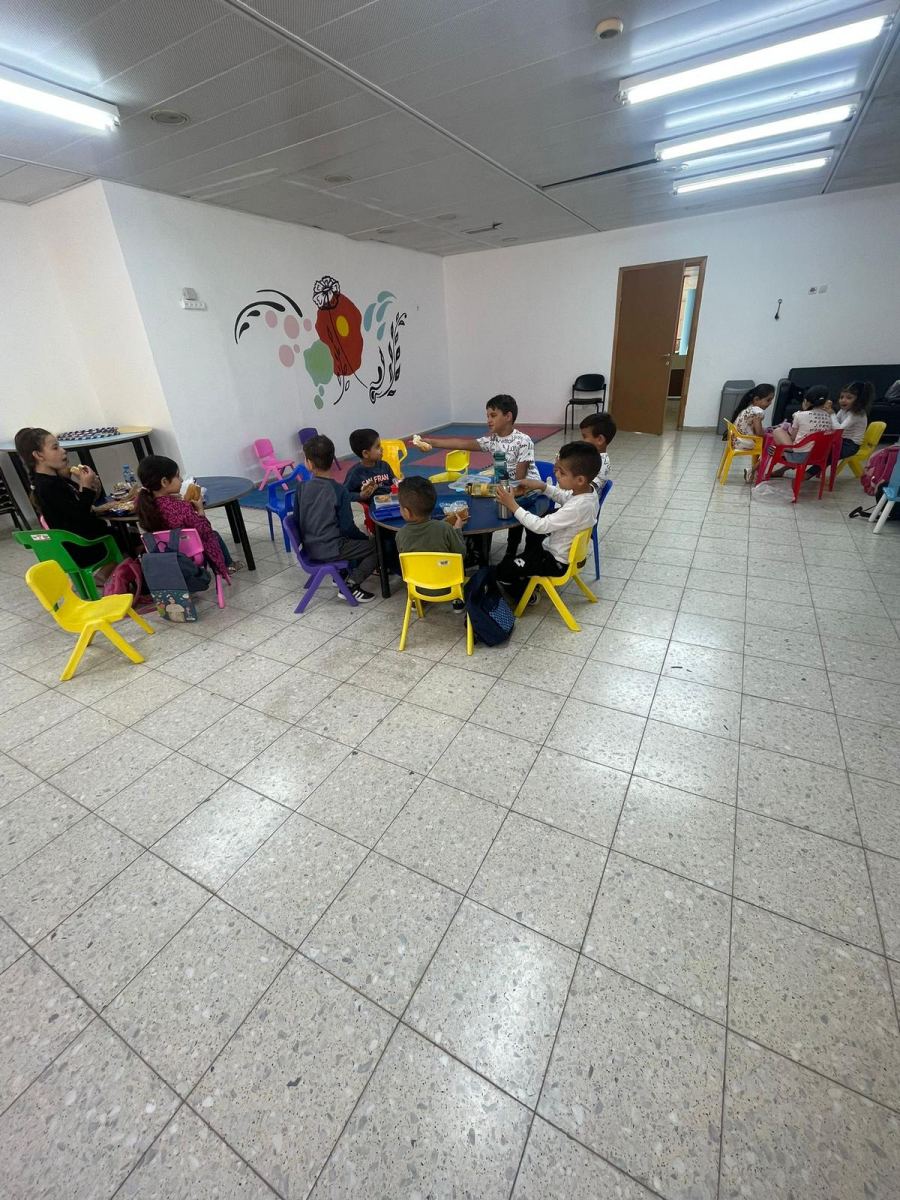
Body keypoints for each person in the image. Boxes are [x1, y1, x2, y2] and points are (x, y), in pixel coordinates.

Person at [416, 394, 541, 561]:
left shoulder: (523, 441)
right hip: (506, 486)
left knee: (513, 508)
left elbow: (520, 482)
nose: (489, 420)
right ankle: (480, 549)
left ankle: (512, 549)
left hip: (527, 489)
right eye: (487, 416)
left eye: (493, 415)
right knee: (476, 496)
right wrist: (432, 442)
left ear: (508, 416)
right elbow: (462, 444)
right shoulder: (493, 440)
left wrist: (503, 496)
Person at [495, 441, 601, 602]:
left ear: (580, 479)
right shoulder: (589, 494)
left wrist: (512, 505)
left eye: (562, 472)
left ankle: (527, 596)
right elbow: (564, 497)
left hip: (556, 562)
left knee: (503, 570)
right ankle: (527, 567)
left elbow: (540, 526)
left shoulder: (577, 507)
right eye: (556, 469)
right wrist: (542, 486)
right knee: (531, 541)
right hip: (565, 555)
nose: (557, 475)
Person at [13, 426, 116, 575]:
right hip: (83, 546)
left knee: (125, 534)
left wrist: (91, 486)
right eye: (55, 448)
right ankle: (105, 576)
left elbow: (81, 505)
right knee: (132, 539)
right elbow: (81, 515)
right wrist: (86, 487)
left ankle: (111, 575)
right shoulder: (47, 486)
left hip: (83, 541)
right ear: (38, 455)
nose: (63, 451)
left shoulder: (55, 479)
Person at [293, 434, 378, 603]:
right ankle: (351, 584)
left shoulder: (301, 487)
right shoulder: (339, 491)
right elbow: (347, 528)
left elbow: (297, 518)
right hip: (331, 549)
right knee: (377, 546)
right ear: (332, 461)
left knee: (352, 541)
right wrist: (365, 538)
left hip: (308, 548)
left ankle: (340, 573)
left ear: (309, 463)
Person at [136, 455, 240, 577]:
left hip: (164, 552)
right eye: (177, 476)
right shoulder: (181, 507)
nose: (181, 480)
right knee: (213, 534)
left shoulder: (144, 506)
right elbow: (205, 530)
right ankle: (227, 566)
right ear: (164, 482)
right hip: (190, 553)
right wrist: (200, 510)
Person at [768, 385, 832, 475]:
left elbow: (793, 438)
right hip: (820, 455)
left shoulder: (799, 415)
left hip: (800, 457)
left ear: (806, 401)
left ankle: (782, 453)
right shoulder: (828, 416)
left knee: (778, 431)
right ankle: (782, 454)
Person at [395, 477, 466, 555]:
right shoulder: (445, 529)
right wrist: (457, 529)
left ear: (407, 513)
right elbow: (461, 554)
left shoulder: (400, 535)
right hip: (443, 563)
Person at [344, 429, 396, 504]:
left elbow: (394, 482)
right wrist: (360, 495)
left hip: (391, 501)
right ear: (365, 453)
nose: (382, 449)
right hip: (371, 507)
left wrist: (398, 483)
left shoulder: (384, 465)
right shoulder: (355, 473)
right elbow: (344, 495)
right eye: (377, 447)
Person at [831, 380, 872, 462]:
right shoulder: (843, 411)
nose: (843, 400)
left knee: (827, 454)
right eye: (841, 397)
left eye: (849, 398)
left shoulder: (856, 414)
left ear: (859, 400)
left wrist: (831, 414)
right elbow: (835, 423)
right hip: (842, 441)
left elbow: (839, 430)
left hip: (851, 446)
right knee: (822, 450)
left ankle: (810, 471)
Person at [579, 412, 616, 482]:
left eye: (585, 437)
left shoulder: (601, 466)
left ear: (600, 440)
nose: (582, 440)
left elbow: (587, 487)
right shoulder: (592, 457)